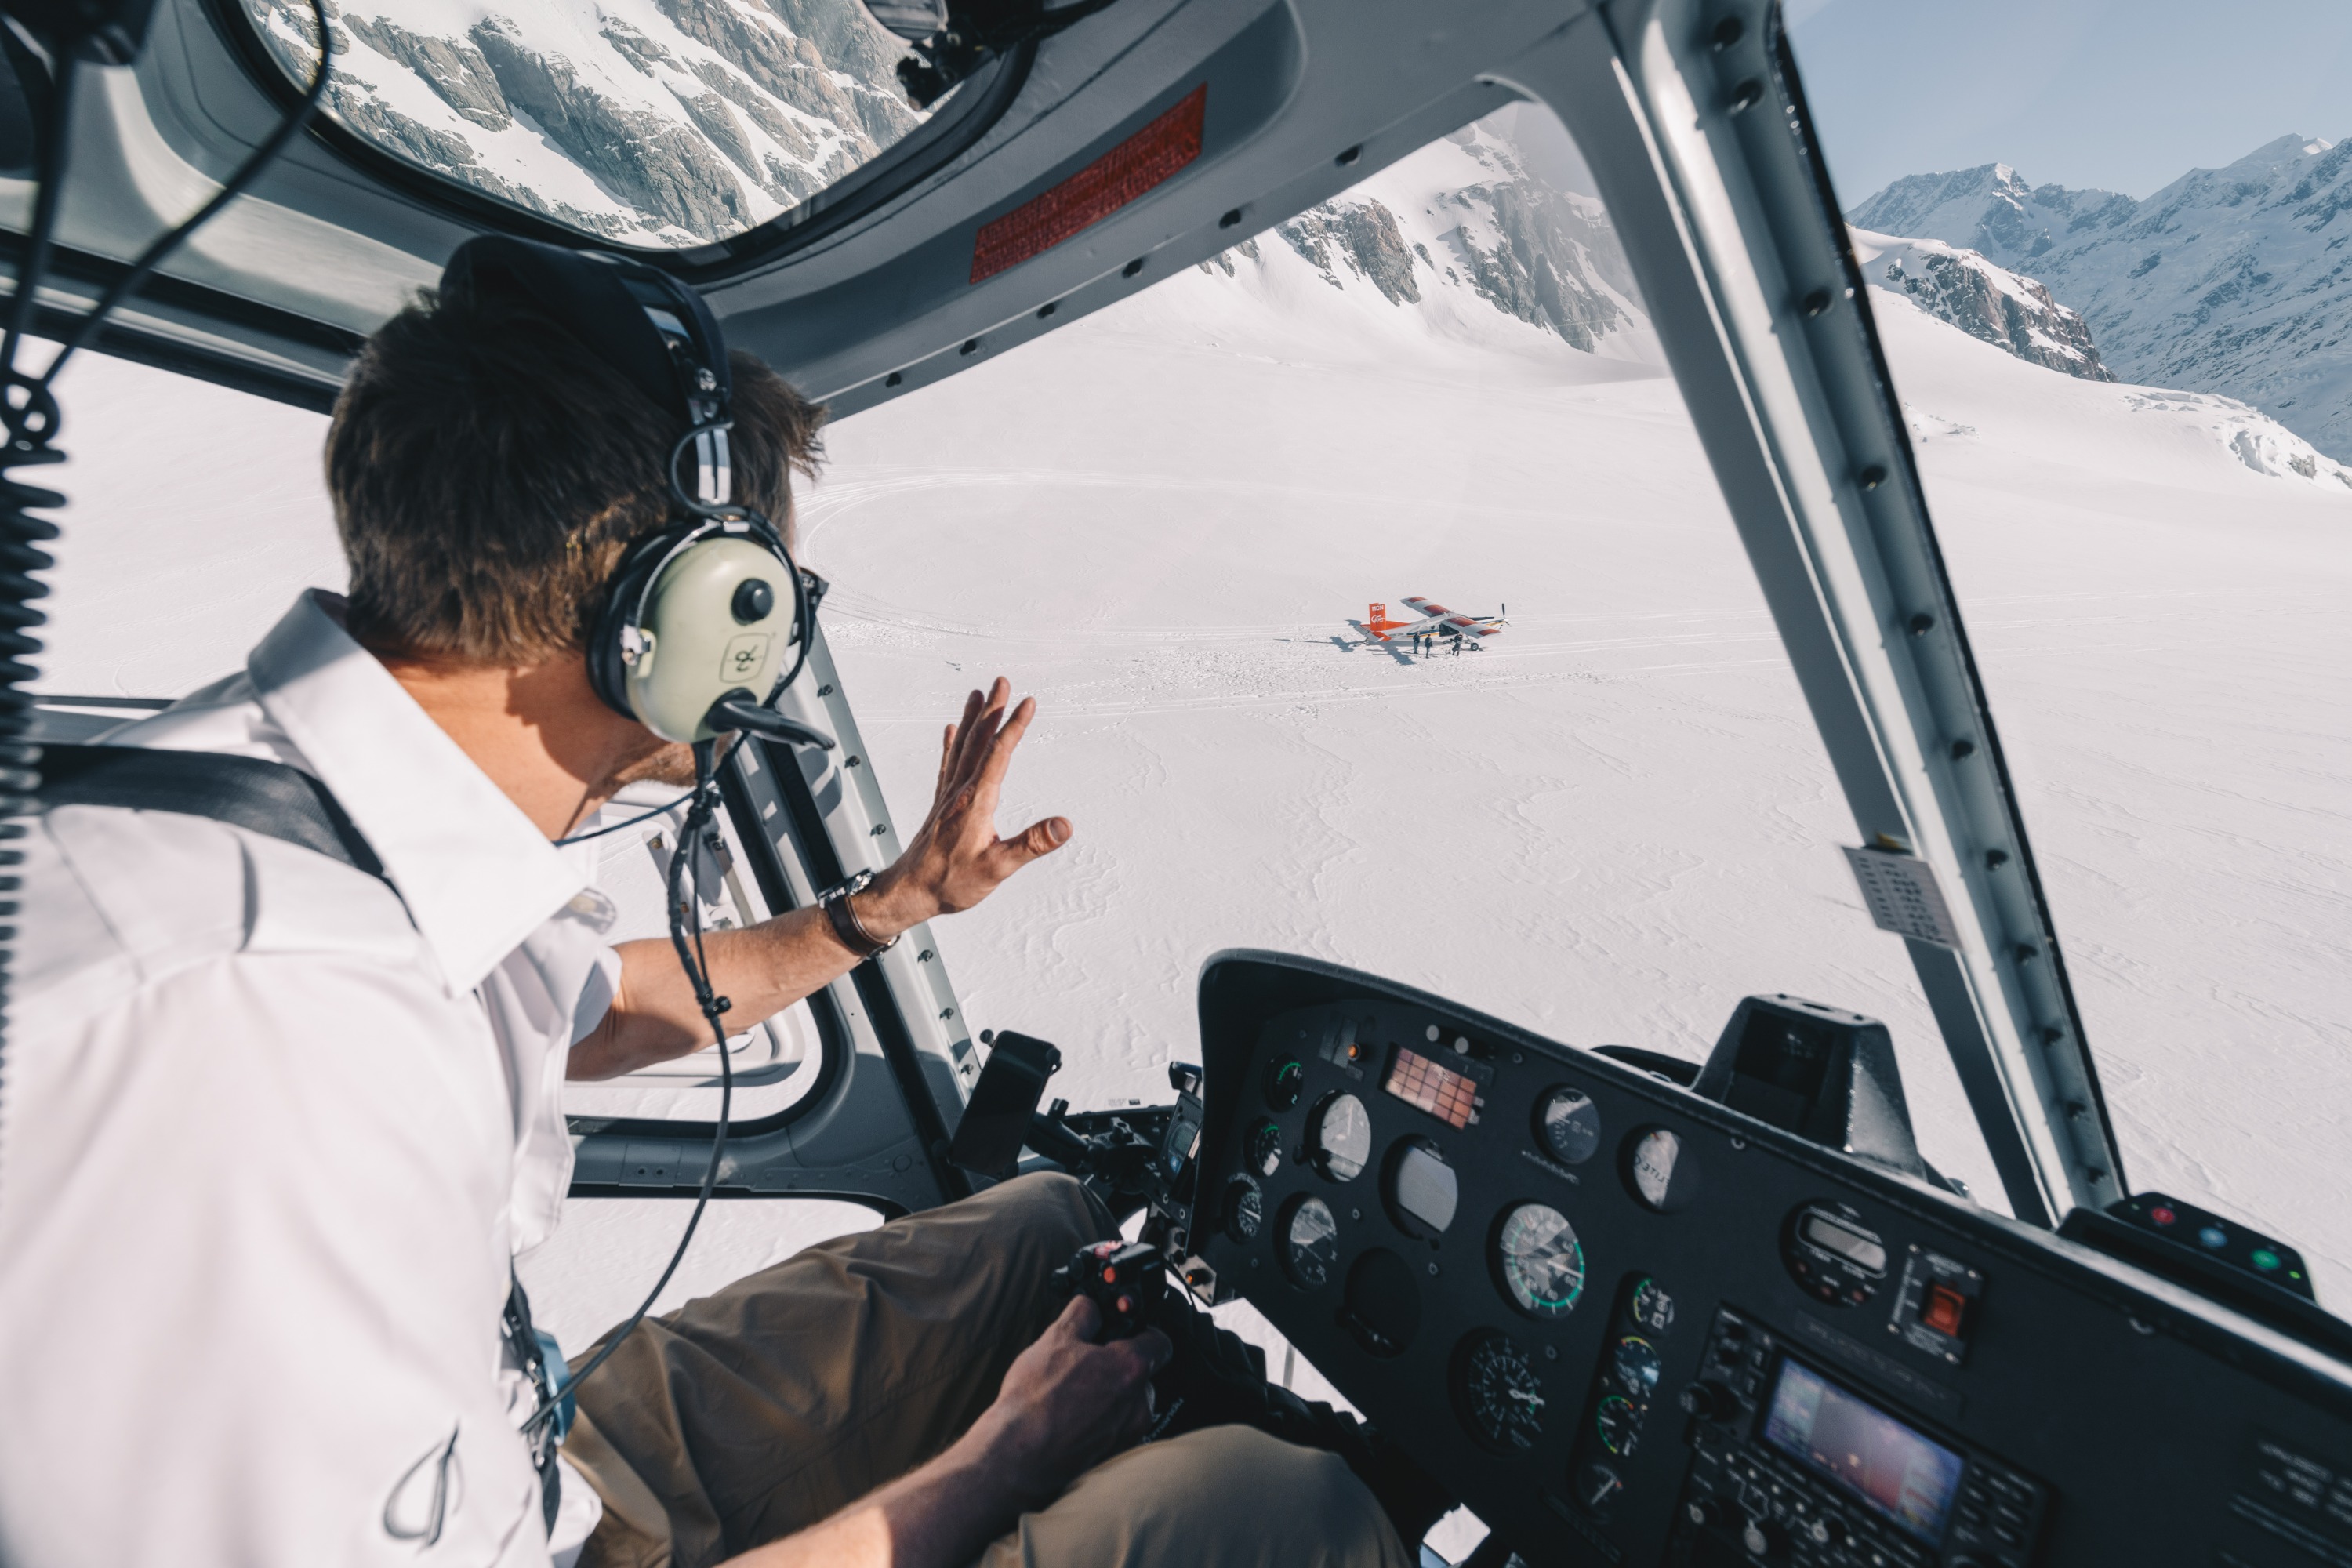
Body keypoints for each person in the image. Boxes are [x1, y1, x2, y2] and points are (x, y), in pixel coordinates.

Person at [0, 241, 1425, 1568]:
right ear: (694, 606)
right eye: (769, 595)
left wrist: (884, 909)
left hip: (502, 1451)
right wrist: (1000, 1461)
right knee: (1273, 1510)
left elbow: (601, 1009)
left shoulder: (324, 814)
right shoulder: (262, 1034)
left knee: (1043, 1233)